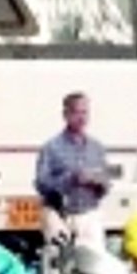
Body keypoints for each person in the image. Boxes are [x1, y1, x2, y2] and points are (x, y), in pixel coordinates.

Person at [35, 92, 110, 250]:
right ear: (66, 115)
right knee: (61, 268)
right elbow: (41, 184)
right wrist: (71, 179)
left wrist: (98, 182)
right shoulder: (51, 147)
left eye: (85, 112)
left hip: (89, 216)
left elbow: (106, 185)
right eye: (76, 112)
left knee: (93, 264)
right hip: (60, 216)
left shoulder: (97, 148)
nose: (81, 118)